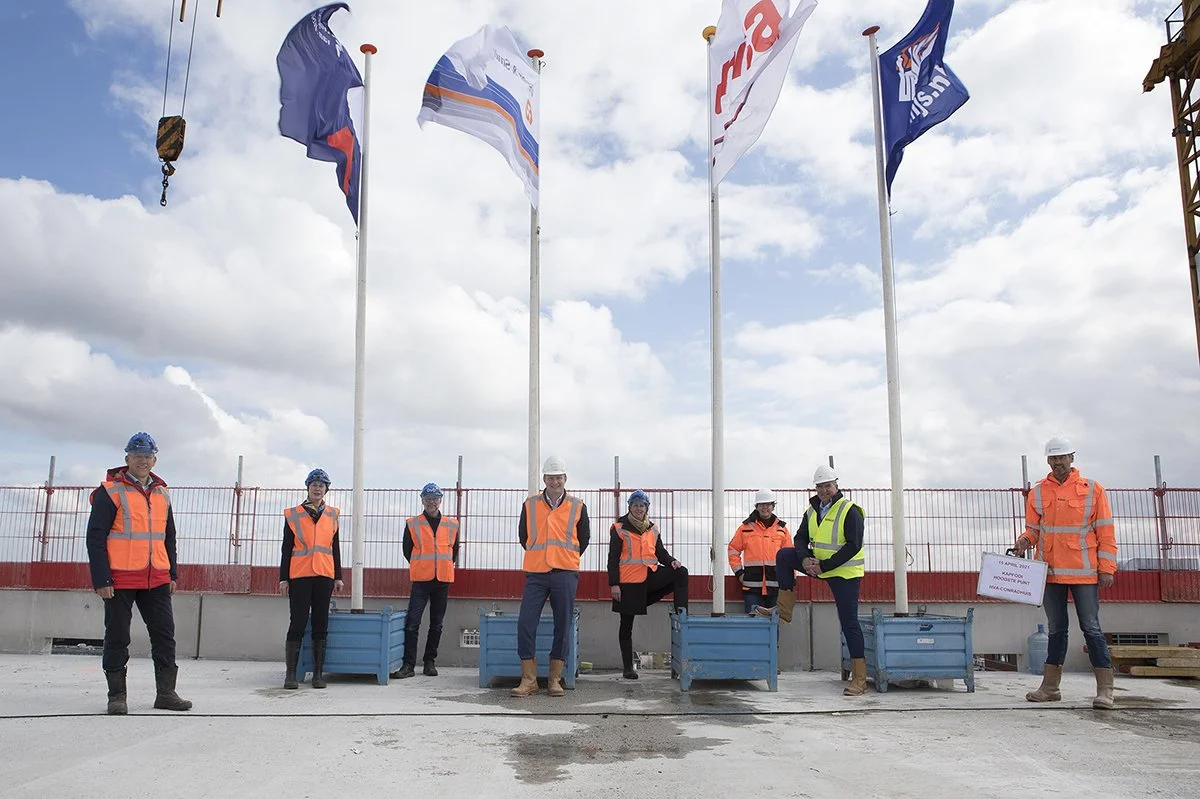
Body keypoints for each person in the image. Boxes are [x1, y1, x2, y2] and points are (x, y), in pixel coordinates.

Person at [85, 432, 192, 714]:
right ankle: (117, 697)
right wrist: (101, 579)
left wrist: (172, 574)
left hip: (156, 577)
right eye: (138, 456)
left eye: (148, 456)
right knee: (117, 636)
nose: (143, 461)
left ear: (154, 460)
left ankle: (166, 694)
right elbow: (95, 537)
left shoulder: (162, 493)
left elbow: (169, 537)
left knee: (165, 635)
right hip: (119, 579)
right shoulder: (110, 491)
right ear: (127, 458)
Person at [1015, 436, 1118, 710]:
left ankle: (1105, 691)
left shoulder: (1092, 489)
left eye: (1062, 457)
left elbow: (1105, 531)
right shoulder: (1038, 492)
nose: (1058, 462)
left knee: (1091, 628)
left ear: (1072, 458)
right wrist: (1024, 541)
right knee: (1056, 630)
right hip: (1050, 573)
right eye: (1053, 458)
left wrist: (1107, 568)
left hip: (1084, 573)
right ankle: (1050, 688)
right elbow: (1034, 530)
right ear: (1048, 460)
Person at [762, 465, 867, 697]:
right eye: (819, 487)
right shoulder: (812, 510)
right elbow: (800, 537)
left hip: (843, 573)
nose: (823, 491)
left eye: (827, 486)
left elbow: (854, 545)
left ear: (836, 485)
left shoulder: (850, 510)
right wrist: (804, 558)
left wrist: (824, 565)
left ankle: (859, 680)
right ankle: (784, 609)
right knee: (784, 555)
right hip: (817, 566)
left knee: (849, 622)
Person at [511, 455, 590, 698]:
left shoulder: (578, 506)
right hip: (536, 573)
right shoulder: (530, 504)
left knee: (562, 624)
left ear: (565, 479)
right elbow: (524, 536)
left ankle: (555, 679)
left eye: (559, 478)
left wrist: (565, 557)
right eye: (550, 478)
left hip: (565, 572)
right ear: (544, 479)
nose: (555, 482)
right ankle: (529, 680)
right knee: (526, 622)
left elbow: (584, 538)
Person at [608, 490, 689, 680]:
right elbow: (612, 559)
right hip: (628, 583)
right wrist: (614, 584)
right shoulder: (619, 528)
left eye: (642, 505)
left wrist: (672, 561)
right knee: (626, 625)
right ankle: (628, 668)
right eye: (635, 505)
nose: (639, 508)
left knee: (681, 572)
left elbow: (660, 553)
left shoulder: (653, 528)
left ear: (646, 508)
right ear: (630, 507)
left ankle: (682, 613)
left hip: (649, 577)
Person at [280, 468, 344, 690]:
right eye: (314, 484)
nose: (317, 488)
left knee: (320, 624)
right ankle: (290, 675)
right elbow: (286, 548)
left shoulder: (332, 514)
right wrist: (283, 578)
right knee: (297, 623)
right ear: (307, 487)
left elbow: (335, 547)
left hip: (324, 575)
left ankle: (318, 675)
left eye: (321, 485)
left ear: (326, 490)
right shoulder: (293, 514)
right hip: (299, 576)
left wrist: (338, 576)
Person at [398, 482, 460, 678]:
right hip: (421, 580)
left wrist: (441, 565)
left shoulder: (452, 524)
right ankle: (408, 664)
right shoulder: (412, 523)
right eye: (428, 499)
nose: (431, 502)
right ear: (422, 501)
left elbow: (454, 550)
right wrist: (422, 565)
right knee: (412, 623)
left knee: (437, 624)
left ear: (440, 500)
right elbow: (407, 550)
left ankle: (429, 662)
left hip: (442, 580)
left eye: (435, 498)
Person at [728, 489, 790, 615]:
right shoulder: (745, 528)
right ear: (756, 506)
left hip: (777, 586)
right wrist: (739, 573)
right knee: (753, 624)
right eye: (761, 504)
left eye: (768, 504)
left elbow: (789, 556)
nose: (765, 507)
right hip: (752, 588)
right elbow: (733, 551)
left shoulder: (782, 529)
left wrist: (790, 580)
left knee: (775, 623)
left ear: (773, 506)